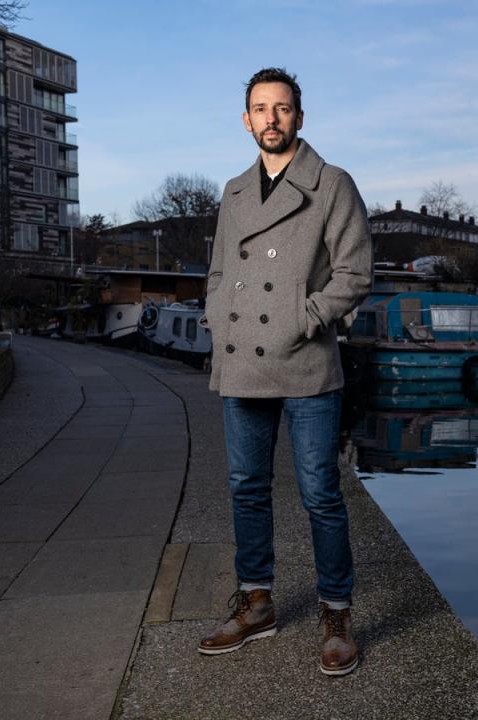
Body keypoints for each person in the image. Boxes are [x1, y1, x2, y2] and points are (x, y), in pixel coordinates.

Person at [197, 67, 372, 677]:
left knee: (320, 493)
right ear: (246, 119)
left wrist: (303, 319)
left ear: (300, 116)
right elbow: (218, 273)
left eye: (283, 108)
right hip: (243, 360)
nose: (271, 117)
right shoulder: (234, 191)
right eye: (260, 108)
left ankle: (336, 612)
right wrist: (221, 320)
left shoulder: (332, 184)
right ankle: (257, 603)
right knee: (246, 488)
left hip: (306, 364)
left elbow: (353, 275)